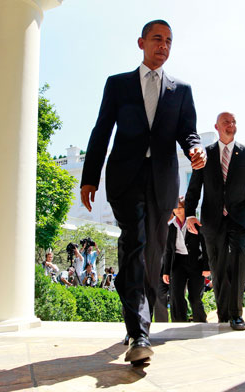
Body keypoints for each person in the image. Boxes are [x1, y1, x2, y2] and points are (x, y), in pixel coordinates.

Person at [79, 19, 206, 364]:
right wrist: (89, 176)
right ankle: (139, 334)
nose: (163, 45)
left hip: (163, 181)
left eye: (169, 41)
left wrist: (196, 149)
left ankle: (136, 317)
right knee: (134, 243)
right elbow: (101, 130)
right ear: (141, 43)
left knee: (151, 256)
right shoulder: (118, 84)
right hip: (126, 177)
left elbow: (188, 131)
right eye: (157, 39)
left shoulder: (182, 90)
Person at [186, 112, 245, 331]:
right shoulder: (205, 154)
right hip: (212, 220)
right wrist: (190, 213)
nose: (231, 125)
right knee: (218, 267)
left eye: (233, 122)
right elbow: (194, 186)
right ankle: (223, 314)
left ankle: (236, 315)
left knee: (239, 264)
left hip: (240, 219)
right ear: (217, 127)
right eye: (226, 122)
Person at [162, 196, 210, 323]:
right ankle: (179, 323)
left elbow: (205, 246)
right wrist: (166, 271)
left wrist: (207, 267)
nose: (177, 210)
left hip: (196, 263)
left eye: (180, 208)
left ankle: (200, 322)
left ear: (186, 208)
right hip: (178, 263)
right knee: (176, 296)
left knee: (195, 297)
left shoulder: (196, 224)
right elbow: (168, 251)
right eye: (175, 208)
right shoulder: (171, 227)